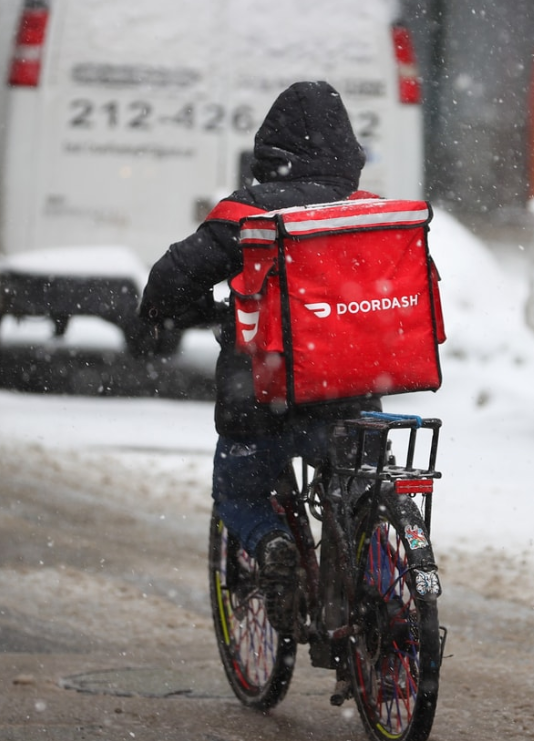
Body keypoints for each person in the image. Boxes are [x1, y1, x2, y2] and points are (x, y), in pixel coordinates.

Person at [138, 81, 381, 632]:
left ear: (271, 152)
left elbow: (169, 281)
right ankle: (381, 596)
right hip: (356, 398)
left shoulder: (249, 213)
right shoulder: (369, 214)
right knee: (360, 488)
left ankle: (271, 544)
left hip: (265, 403)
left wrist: (168, 313)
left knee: (239, 488)